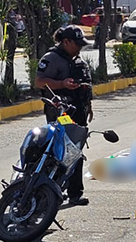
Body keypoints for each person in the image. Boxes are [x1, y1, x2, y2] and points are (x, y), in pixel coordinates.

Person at [35, 25, 94, 206]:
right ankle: (50, 190)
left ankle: (75, 192)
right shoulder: (52, 59)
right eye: (76, 44)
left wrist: (88, 105)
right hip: (61, 112)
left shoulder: (75, 59)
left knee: (75, 152)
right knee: (58, 151)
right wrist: (62, 83)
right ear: (66, 42)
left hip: (79, 111)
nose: (79, 48)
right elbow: (39, 82)